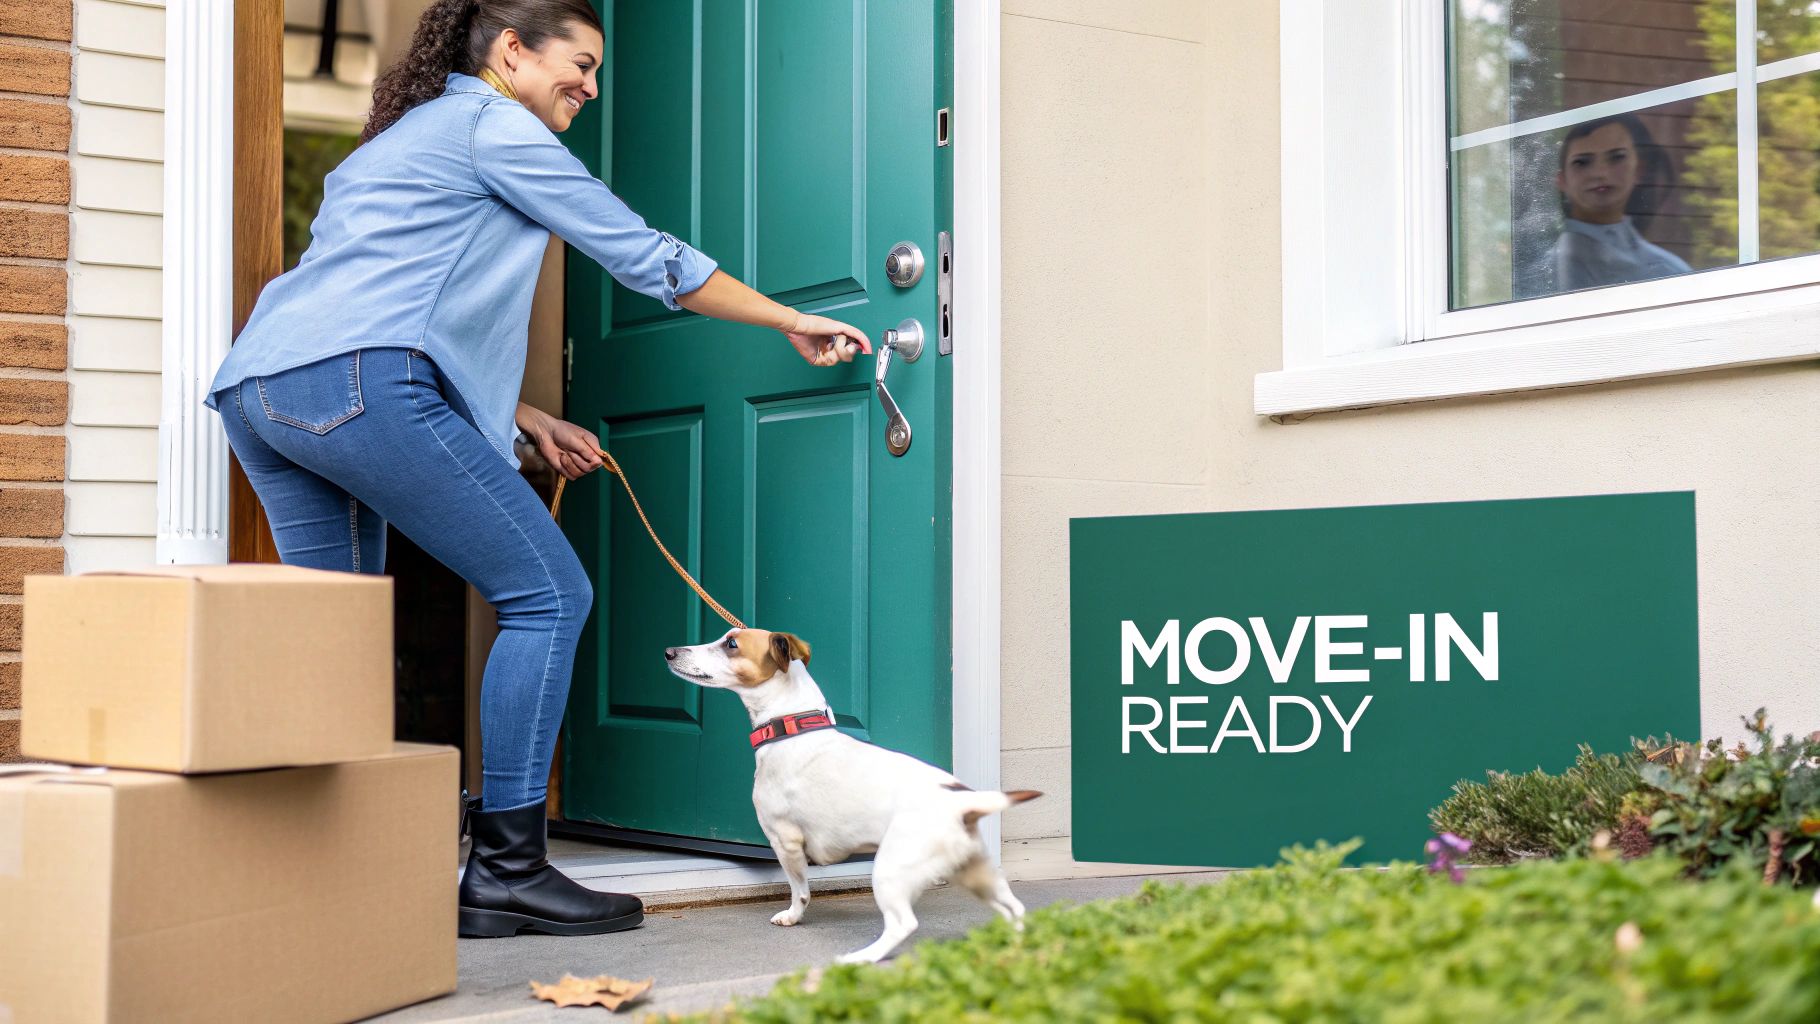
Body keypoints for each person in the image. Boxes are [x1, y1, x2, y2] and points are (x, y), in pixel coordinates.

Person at [204, 0, 871, 940]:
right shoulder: (496, 128)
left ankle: (310, 875)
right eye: (581, 64)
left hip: (264, 391)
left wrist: (519, 416)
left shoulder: (401, 139)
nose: (592, 88)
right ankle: (509, 871)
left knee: (334, 629)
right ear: (511, 51)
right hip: (359, 385)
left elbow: (376, 295)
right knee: (549, 595)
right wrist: (789, 318)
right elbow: (646, 256)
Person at [1518, 113, 1691, 298]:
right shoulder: (1545, 273)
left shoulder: (1669, 269)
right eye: (1582, 162)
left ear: (1639, 169)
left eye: (1617, 157)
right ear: (1562, 181)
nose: (1600, 173)